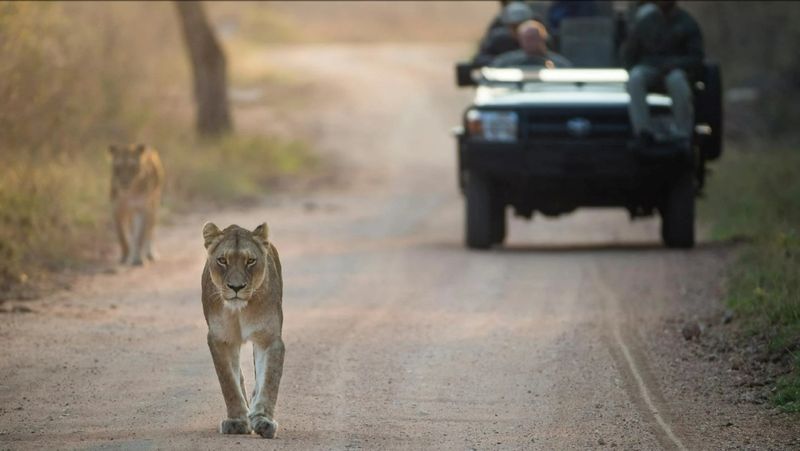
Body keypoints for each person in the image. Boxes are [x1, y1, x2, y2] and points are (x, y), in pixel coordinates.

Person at [620, 0, 704, 145]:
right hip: (651, 68)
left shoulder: (687, 23)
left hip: (676, 71)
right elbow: (629, 53)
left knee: (676, 80)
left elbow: (696, 57)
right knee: (635, 78)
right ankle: (643, 131)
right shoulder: (646, 22)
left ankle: (683, 133)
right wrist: (634, 66)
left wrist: (676, 65)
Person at [472, 2, 536, 66]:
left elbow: (540, 58)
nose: (519, 30)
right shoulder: (499, 39)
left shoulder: (536, 38)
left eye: (522, 25)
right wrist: (502, 61)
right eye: (514, 27)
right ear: (508, 26)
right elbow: (479, 59)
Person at [490, 20, 572, 68]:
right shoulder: (506, 62)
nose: (529, 42)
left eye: (532, 38)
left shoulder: (559, 64)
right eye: (525, 39)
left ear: (543, 38)